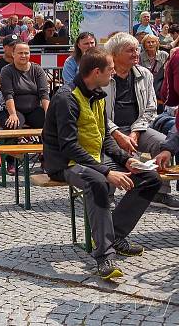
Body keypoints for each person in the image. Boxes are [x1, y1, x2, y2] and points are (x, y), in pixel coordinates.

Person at [43, 47, 165, 280]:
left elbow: (105, 138)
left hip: (93, 160)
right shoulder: (65, 98)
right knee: (99, 183)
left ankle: (116, 235)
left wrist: (127, 159)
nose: (113, 73)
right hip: (65, 163)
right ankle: (104, 256)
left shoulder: (96, 93)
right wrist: (108, 171)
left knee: (150, 179)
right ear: (96, 71)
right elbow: (69, 147)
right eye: (110, 69)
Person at [103, 32, 178, 209]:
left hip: (138, 128)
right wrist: (117, 133)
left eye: (137, 49)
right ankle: (106, 194)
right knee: (108, 152)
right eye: (130, 50)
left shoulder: (145, 74)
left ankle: (160, 193)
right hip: (108, 130)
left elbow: (151, 108)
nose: (136, 53)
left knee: (163, 144)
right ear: (114, 54)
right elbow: (96, 114)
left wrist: (135, 132)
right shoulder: (103, 76)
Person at [0, 42, 50, 173]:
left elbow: (44, 94)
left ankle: (47, 159)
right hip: (15, 108)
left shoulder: (37, 69)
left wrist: (48, 114)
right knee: (12, 124)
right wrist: (13, 114)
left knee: (50, 125)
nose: (23, 55)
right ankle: (11, 161)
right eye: (20, 53)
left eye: (26, 53)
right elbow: (8, 94)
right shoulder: (7, 70)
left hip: (34, 108)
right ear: (13, 54)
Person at [140, 34, 168, 98]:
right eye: (148, 42)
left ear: (157, 43)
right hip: (145, 87)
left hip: (160, 87)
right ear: (144, 45)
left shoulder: (164, 55)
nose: (151, 44)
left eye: (153, 42)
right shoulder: (140, 57)